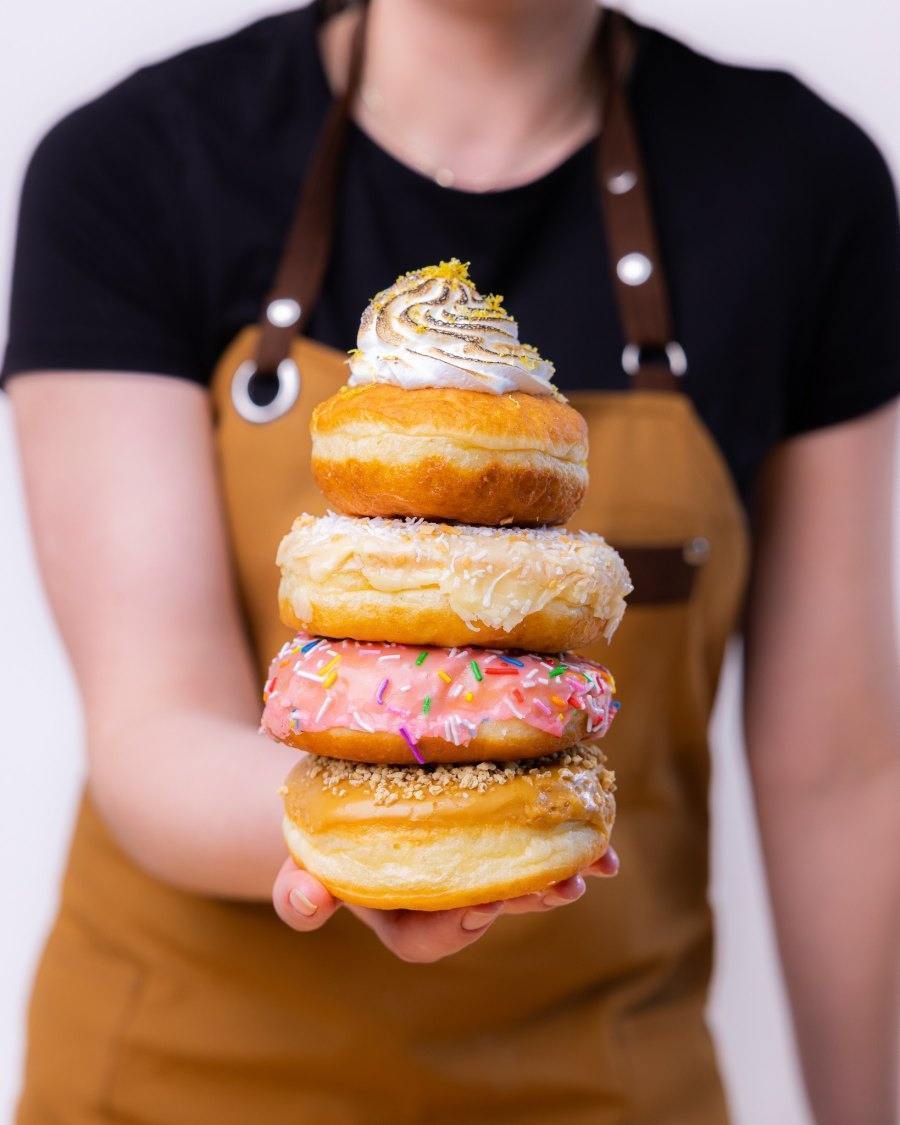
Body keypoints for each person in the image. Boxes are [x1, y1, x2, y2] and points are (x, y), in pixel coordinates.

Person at [3, 0, 898, 1121]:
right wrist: (372, 841)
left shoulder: (799, 184)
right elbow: (150, 722)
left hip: (606, 1076)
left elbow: (838, 774)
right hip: (182, 1077)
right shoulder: (137, 161)